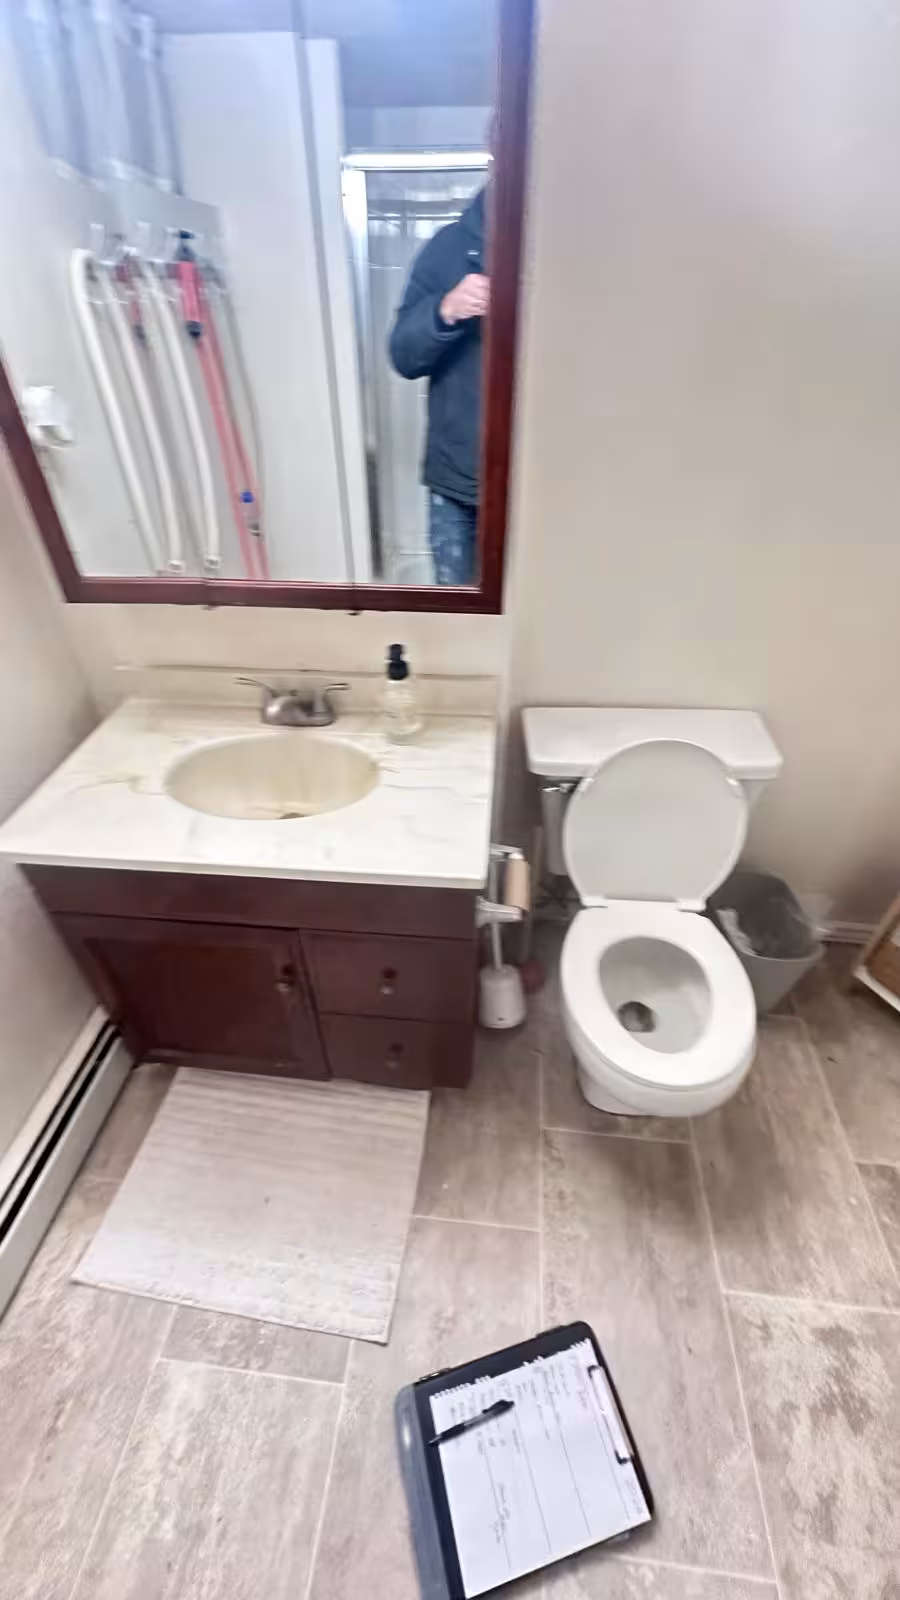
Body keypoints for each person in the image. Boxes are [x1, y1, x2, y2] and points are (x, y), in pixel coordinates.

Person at [388, 186, 488, 585]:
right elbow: (403, 355)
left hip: (542, 486)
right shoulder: (448, 248)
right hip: (456, 481)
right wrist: (445, 310)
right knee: (456, 619)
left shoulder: (565, 246)